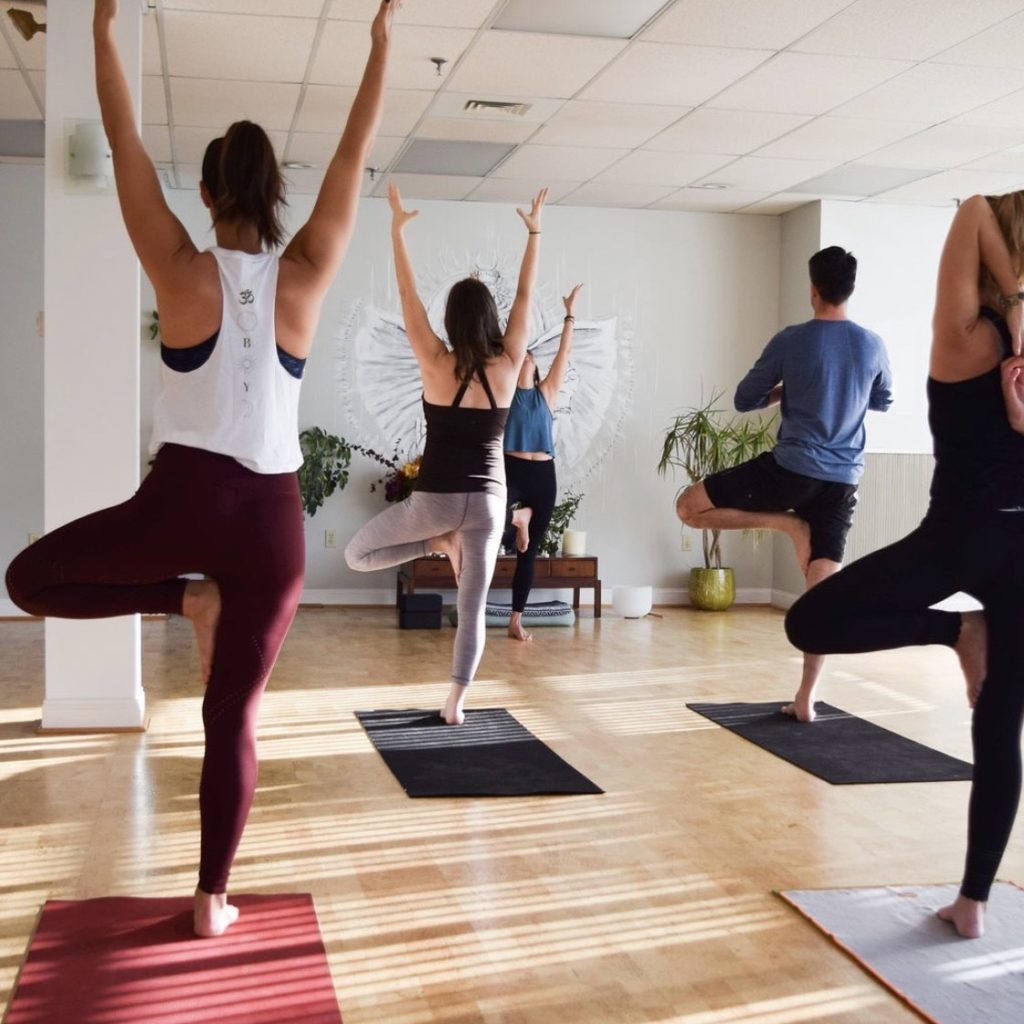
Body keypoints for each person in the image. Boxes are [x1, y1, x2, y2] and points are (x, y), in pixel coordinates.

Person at [4, 0, 396, 938]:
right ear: (272, 194)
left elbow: (123, 134)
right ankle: (212, 897)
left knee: (29, 581)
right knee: (234, 719)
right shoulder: (306, 271)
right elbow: (351, 155)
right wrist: (380, 47)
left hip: (181, 505)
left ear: (212, 190)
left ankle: (184, 599)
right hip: (271, 524)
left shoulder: (178, 263)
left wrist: (101, 31)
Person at [785, 193, 1024, 940]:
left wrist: (1014, 306)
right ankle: (972, 903)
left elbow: (975, 209)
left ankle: (955, 632)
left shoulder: (965, 339)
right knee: (1000, 731)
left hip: (956, 537)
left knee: (810, 619)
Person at [345, 184, 547, 724]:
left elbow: (408, 299)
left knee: (356, 555)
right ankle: (455, 702)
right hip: (487, 503)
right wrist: (533, 233)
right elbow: (526, 298)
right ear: (489, 319)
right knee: (473, 609)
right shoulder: (509, 365)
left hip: (433, 500)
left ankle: (436, 542)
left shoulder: (435, 359)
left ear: (451, 320)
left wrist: (395, 232)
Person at [675, 247, 892, 722]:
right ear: (849, 290)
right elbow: (883, 400)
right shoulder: (873, 344)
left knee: (688, 507)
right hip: (841, 482)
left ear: (812, 289)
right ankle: (806, 699)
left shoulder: (792, 340)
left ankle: (786, 526)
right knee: (821, 601)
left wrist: (786, 390)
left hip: (789, 473)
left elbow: (745, 398)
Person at [502, 283, 583, 641]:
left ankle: (516, 619)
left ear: (534, 370)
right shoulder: (503, 396)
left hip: (542, 475)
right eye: (522, 355)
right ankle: (518, 519)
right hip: (511, 470)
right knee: (490, 529)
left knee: (529, 551)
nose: (527, 356)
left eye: (531, 356)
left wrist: (569, 313)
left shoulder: (545, 393)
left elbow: (565, 352)